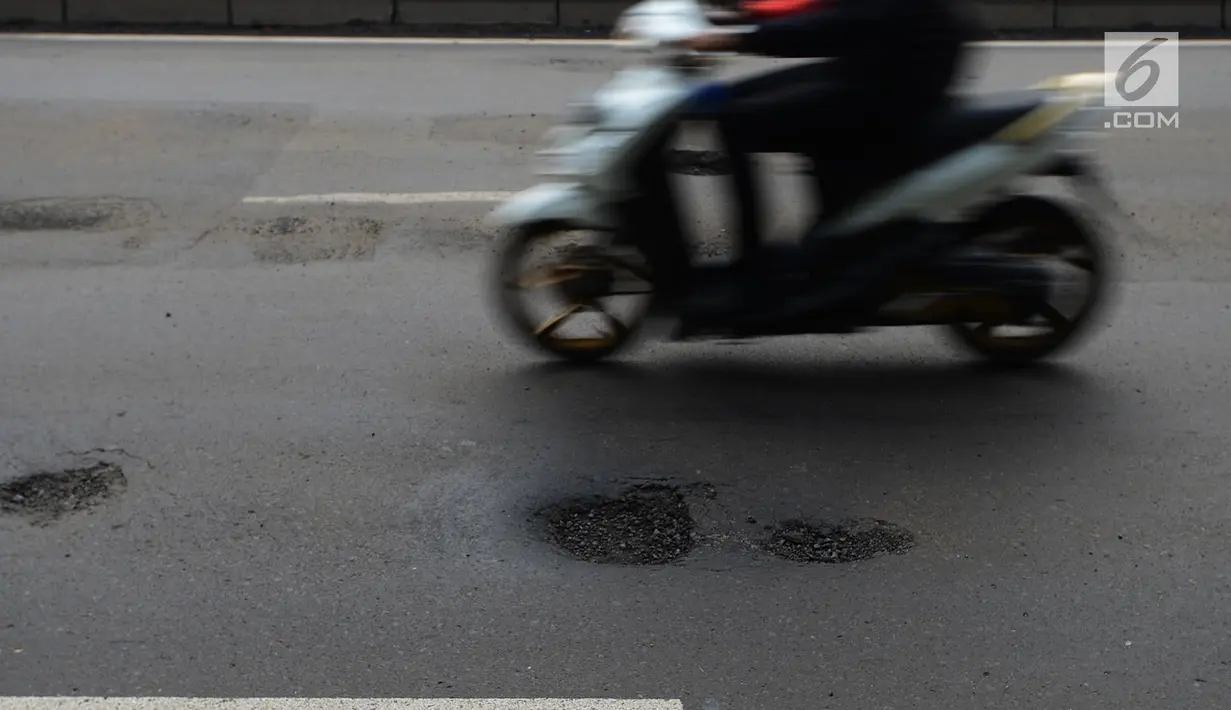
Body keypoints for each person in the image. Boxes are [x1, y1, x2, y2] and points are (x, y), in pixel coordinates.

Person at [674, 0, 984, 313]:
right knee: (731, 98)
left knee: (735, 124)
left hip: (892, 91)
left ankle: (754, 268)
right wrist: (751, 14)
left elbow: (831, 26)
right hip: (875, 64)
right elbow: (827, 8)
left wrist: (740, 39)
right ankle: (796, 249)